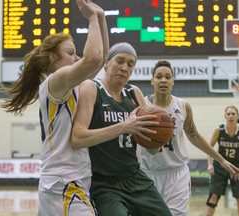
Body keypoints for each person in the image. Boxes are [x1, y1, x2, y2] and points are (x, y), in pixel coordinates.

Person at [0, 0, 109, 215]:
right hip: (64, 181)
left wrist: (102, 18)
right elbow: (93, 58)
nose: (76, 57)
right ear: (52, 57)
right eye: (70, 53)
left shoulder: (70, 85)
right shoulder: (54, 81)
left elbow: (101, 59)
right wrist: (92, 18)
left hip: (66, 179)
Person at [70, 43, 172, 216]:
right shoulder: (91, 88)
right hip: (104, 185)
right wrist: (124, 127)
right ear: (106, 63)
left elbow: (152, 150)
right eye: (120, 61)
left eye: (131, 64)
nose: (125, 68)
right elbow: (77, 138)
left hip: (135, 178)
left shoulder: (134, 93)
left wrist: (161, 135)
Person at [136, 60, 239, 216]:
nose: (163, 80)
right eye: (159, 76)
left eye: (168, 77)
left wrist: (221, 160)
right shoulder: (141, 107)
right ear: (152, 81)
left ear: (173, 81)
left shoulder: (182, 106)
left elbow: (193, 134)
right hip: (147, 173)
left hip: (176, 174)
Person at [205, 105, 239, 216]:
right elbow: (209, 147)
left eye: (233, 114)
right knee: (213, 196)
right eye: (228, 114)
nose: (231, 116)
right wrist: (210, 164)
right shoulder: (219, 130)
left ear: (237, 116)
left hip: (236, 167)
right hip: (219, 165)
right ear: (225, 116)